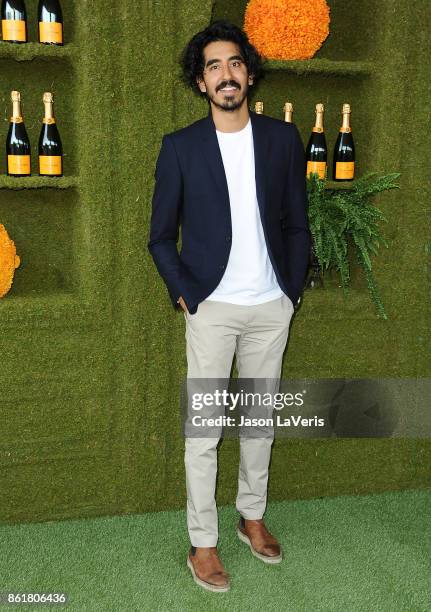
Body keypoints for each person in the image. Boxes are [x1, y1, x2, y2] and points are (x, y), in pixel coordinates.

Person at [147, 19, 311, 592]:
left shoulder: (281, 140)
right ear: (201, 82)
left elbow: (296, 222)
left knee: (260, 423)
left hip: (271, 306)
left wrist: (290, 291)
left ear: (249, 73)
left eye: (235, 63)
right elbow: (160, 236)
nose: (226, 74)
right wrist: (188, 294)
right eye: (213, 66)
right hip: (211, 308)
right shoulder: (181, 147)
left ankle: (251, 517)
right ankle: (203, 543)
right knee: (206, 430)